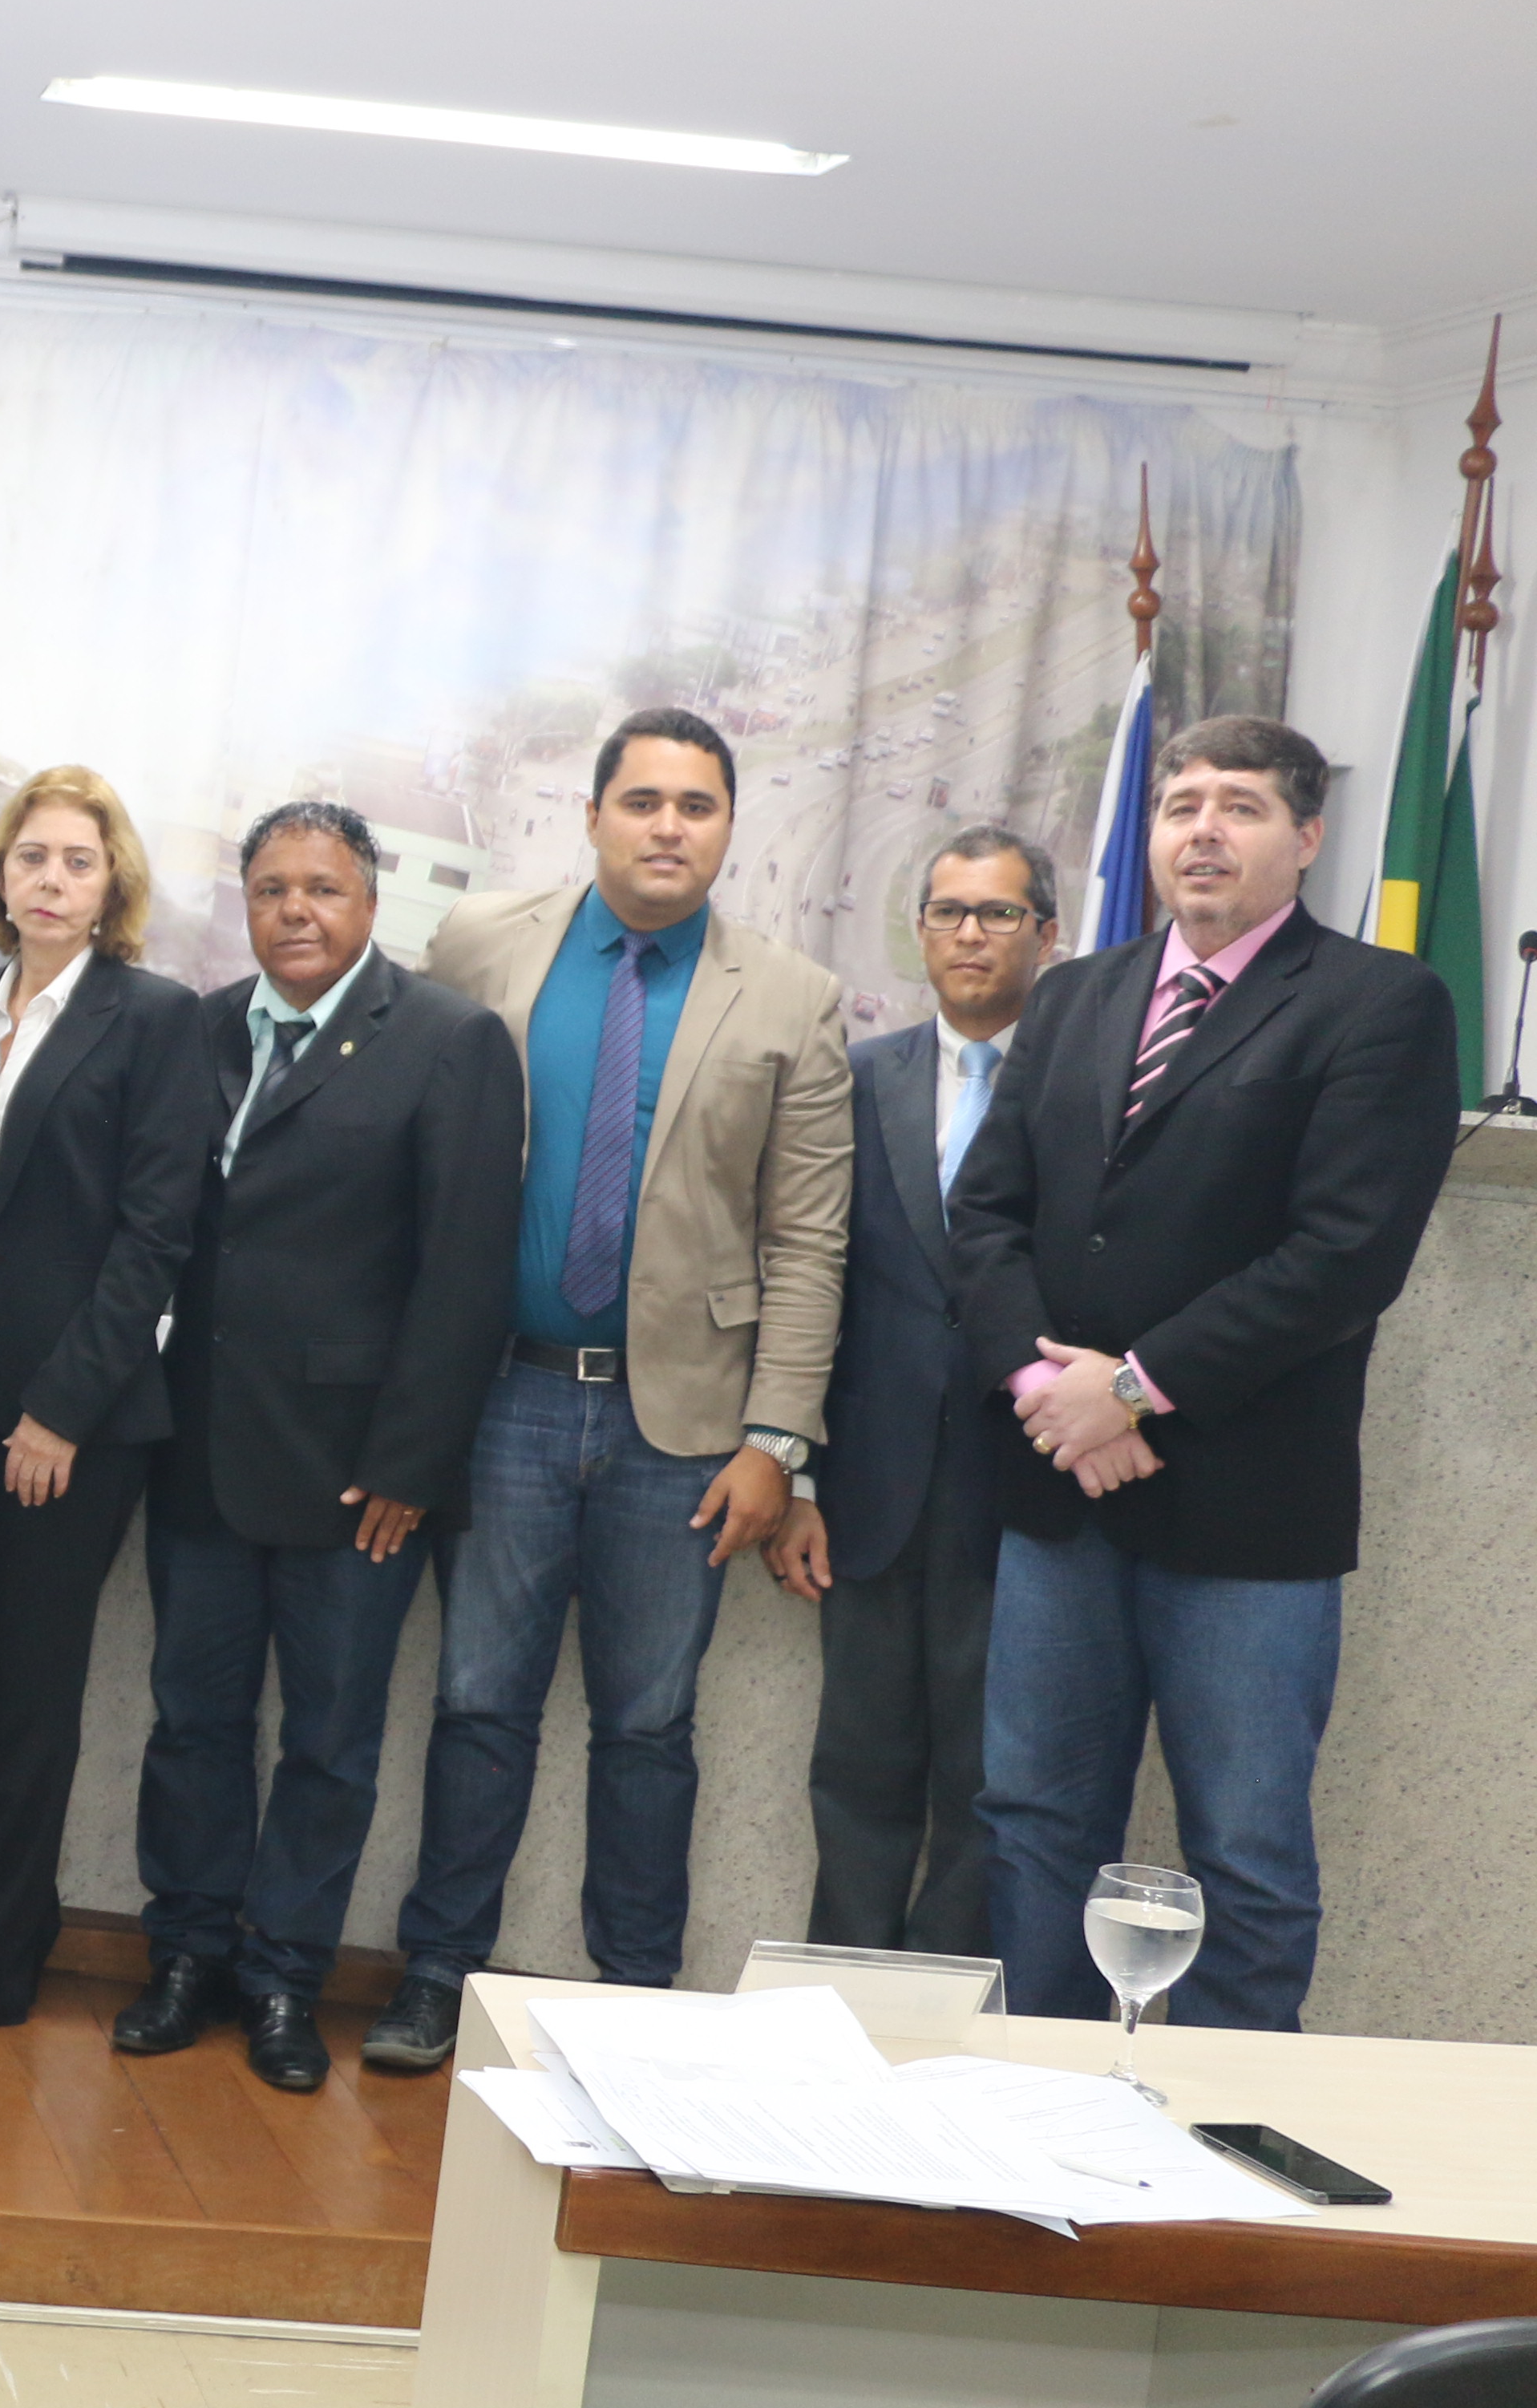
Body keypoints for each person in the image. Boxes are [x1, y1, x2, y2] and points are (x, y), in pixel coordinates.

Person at [366, 707, 850, 2072]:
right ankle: (436, 1972)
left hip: (684, 1431)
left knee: (647, 1724)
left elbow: (810, 1240)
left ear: (728, 827)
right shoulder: (483, 945)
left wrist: (777, 1442)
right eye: (641, 801)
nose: (667, 827)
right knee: (476, 1704)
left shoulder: (792, 996)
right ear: (591, 817)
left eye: (696, 805)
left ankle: (638, 1997)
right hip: (503, 1402)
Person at [954, 719, 1456, 2031]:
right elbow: (987, 1215)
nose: (1203, 829)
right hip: (1062, 1493)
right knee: (1033, 1821)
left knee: (1244, 1854)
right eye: (1180, 804)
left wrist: (1126, 1389)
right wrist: (1050, 1397)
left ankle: (1223, 2135)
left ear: (1306, 836)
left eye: (1240, 805)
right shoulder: (1074, 994)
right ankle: (1045, 2101)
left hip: (1247, 1516)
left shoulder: (1379, 1004)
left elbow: (1343, 1258)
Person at [123, 803, 521, 2088]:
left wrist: (413, 1464)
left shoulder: (448, 1040)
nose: (296, 909)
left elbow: (466, 1272)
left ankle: (286, 1978)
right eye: (272, 889)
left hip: (359, 1476)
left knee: (331, 1742)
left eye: (324, 888)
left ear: (371, 904)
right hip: (201, 1448)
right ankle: (185, 1955)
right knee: (192, 1721)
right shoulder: (202, 1028)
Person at [0, 771, 216, 2034]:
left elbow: (154, 1238)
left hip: (72, 1413)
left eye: (78, 860)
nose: (52, 880)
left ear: (112, 883)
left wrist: (62, 1408)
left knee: (31, 1685)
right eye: (32, 858)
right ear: (1, 877)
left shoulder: (156, 1018)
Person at [758, 827, 1063, 1958]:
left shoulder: (1081, 1084)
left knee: (990, 1789)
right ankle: (841, 2005)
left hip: (1022, 1493)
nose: (970, 934)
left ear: (1047, 934)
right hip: (867, 1498)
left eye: (998, 913)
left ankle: (941, 2021)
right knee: (856, 1775)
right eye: (948, 912)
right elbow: (810, 1280)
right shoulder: (857, 1078)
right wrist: (796, 1478)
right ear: (922, 930)